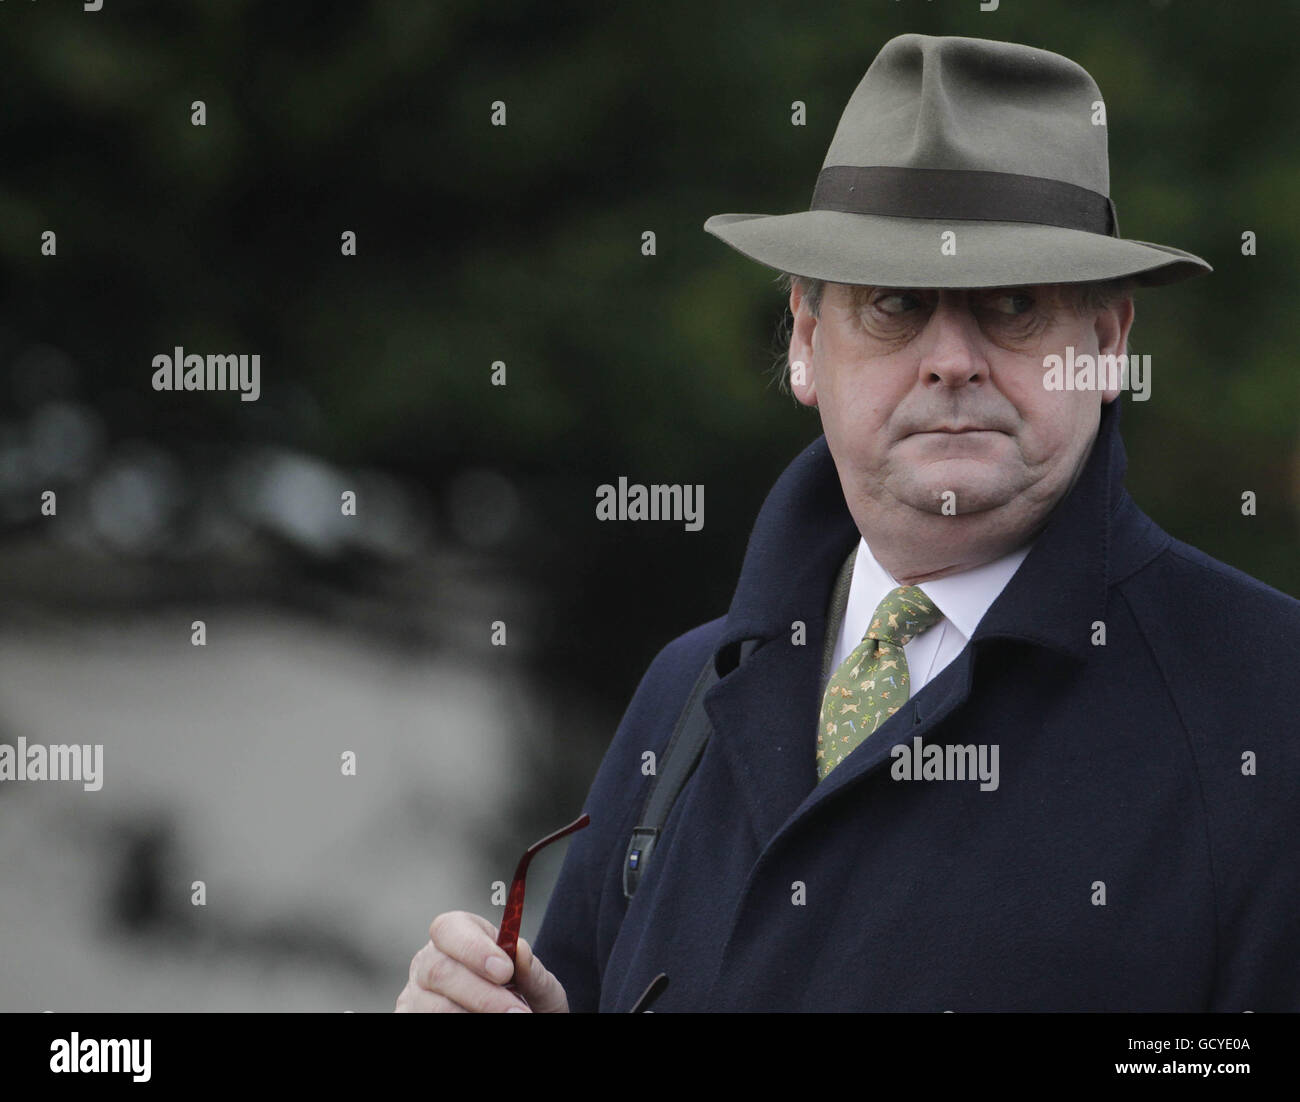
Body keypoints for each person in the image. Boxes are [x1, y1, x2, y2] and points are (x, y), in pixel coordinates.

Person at [396, 33, 1300, 1013]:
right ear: (804, 342)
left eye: (1010, 303)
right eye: (897, 304)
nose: (950, 358)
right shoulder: (684, 691)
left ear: (1109, 342)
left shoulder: (1271, 706)